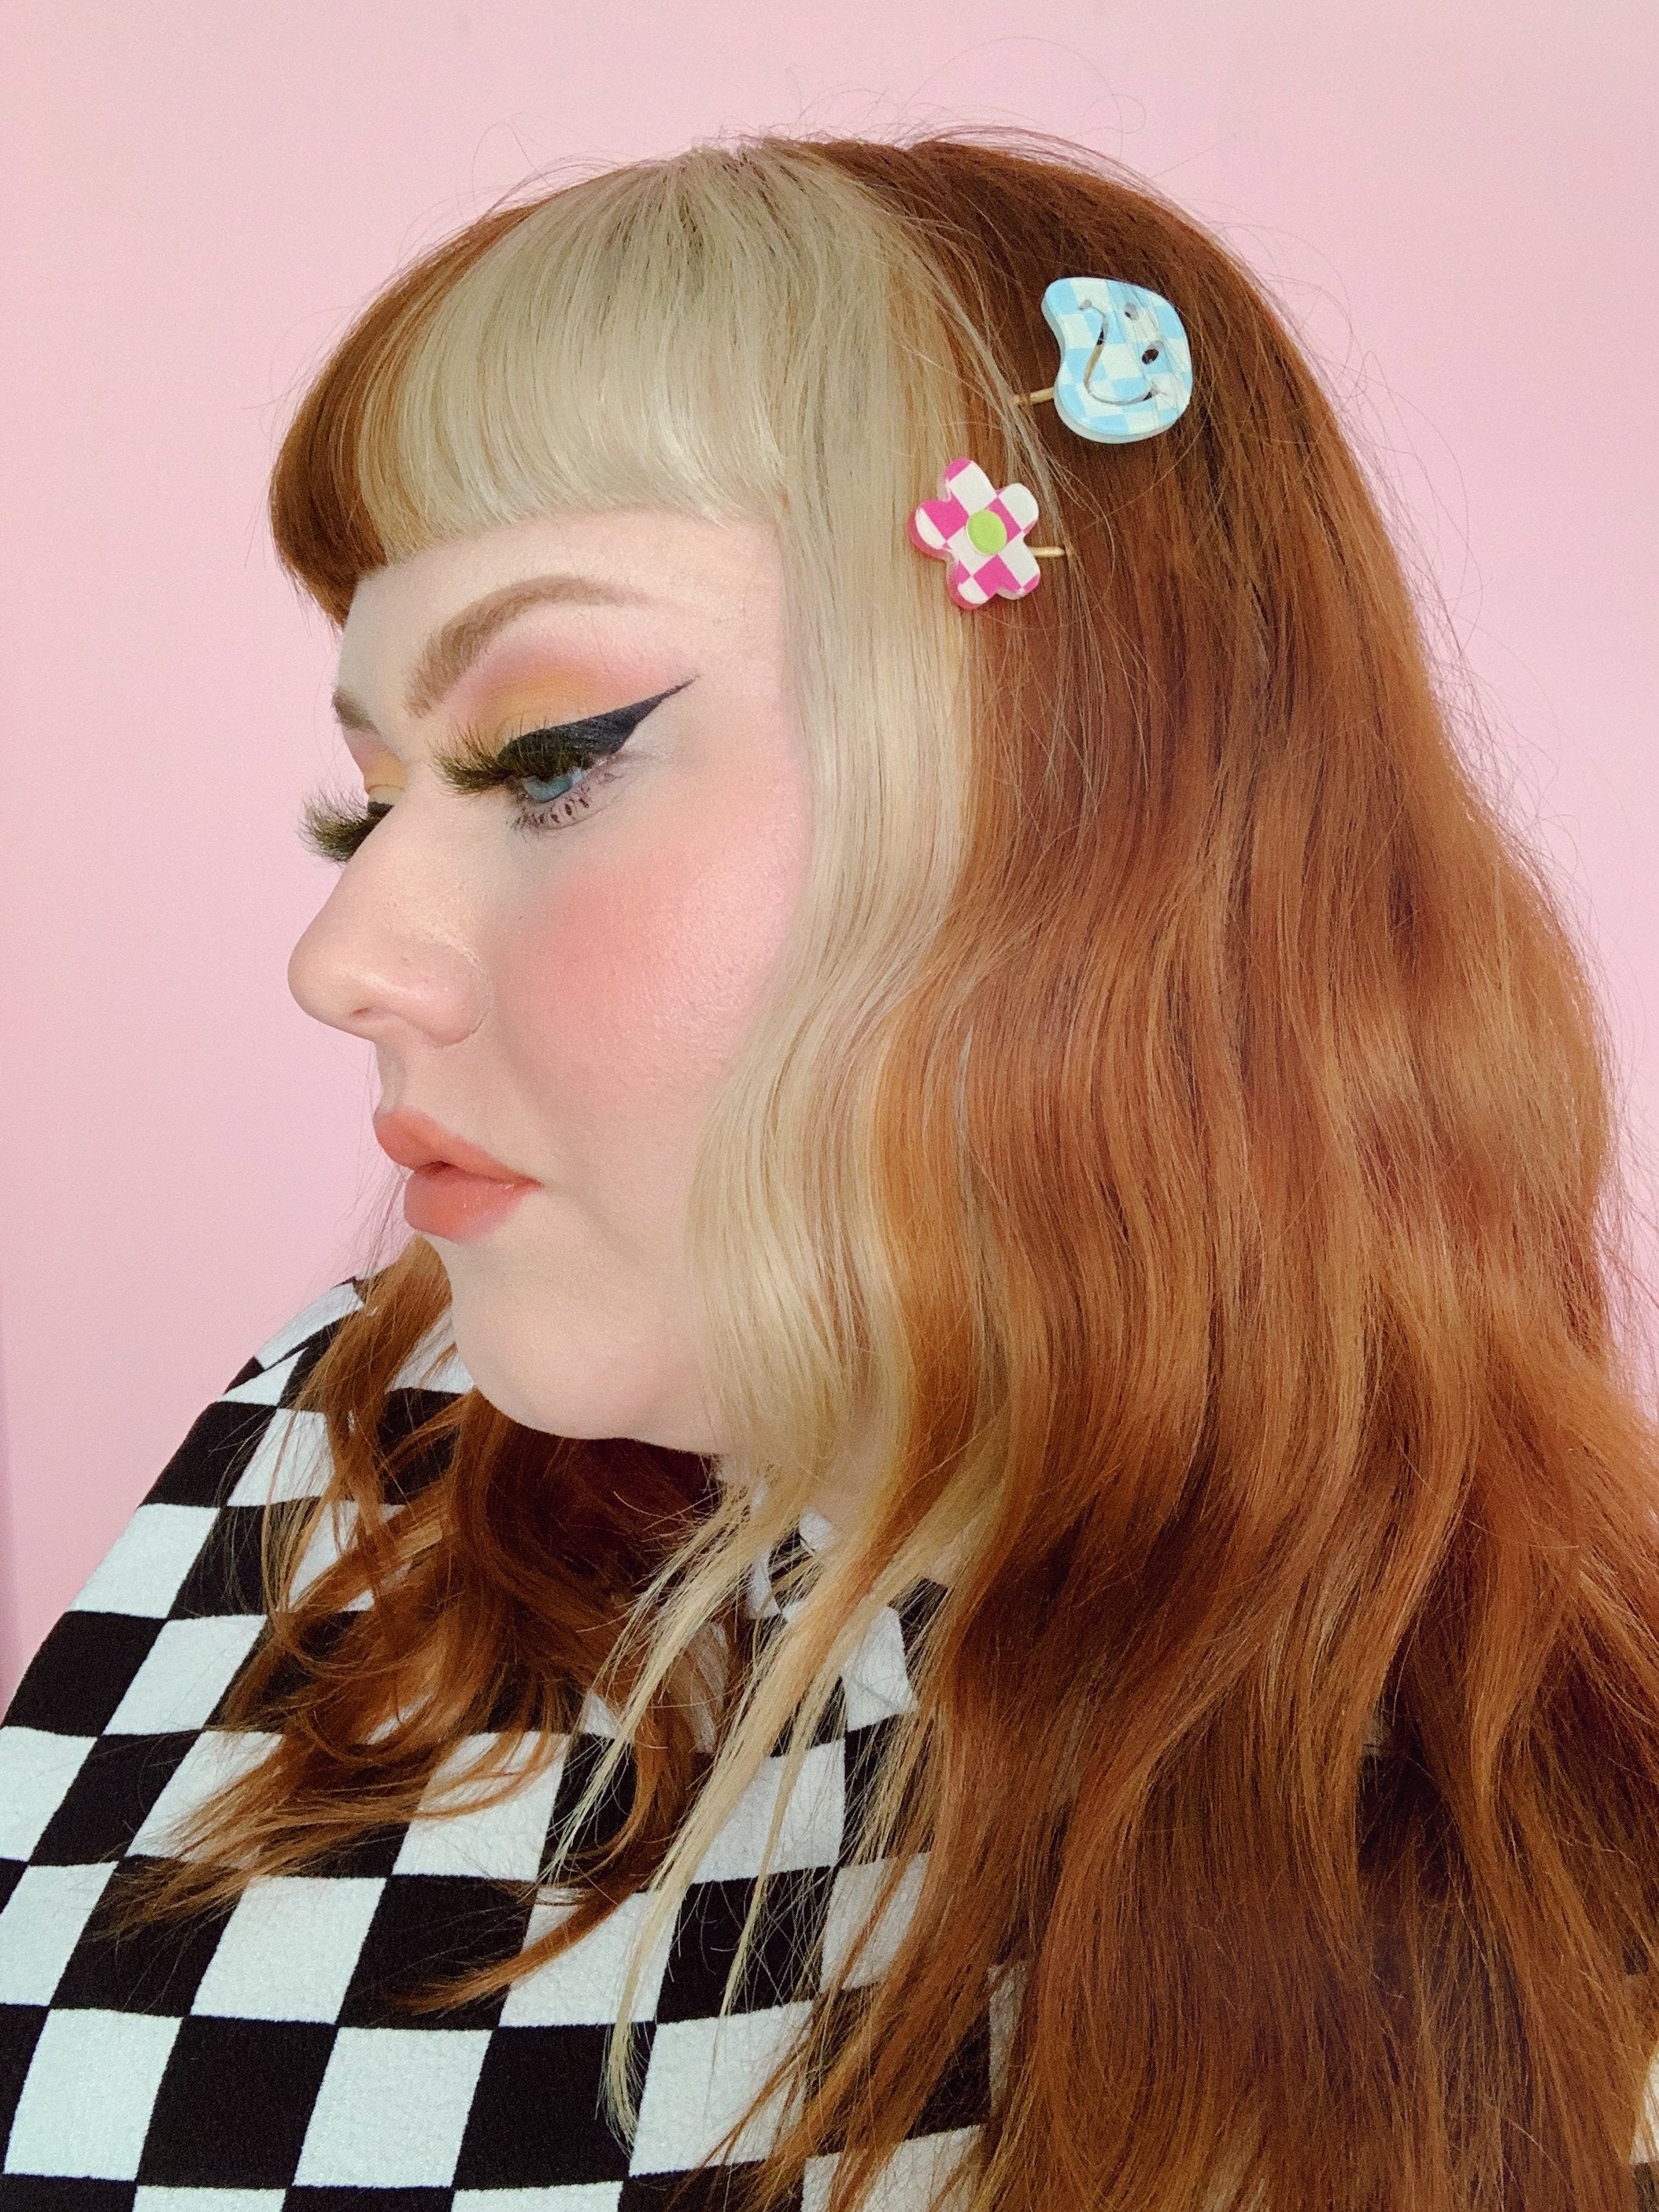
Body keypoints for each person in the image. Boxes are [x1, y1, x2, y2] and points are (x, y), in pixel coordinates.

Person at [3, 129, 1659, 2212]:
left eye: (548, 756)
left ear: (1082, 812)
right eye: (368, 804)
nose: (340, 959)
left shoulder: (1560, 1900)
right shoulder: (335, 1448)